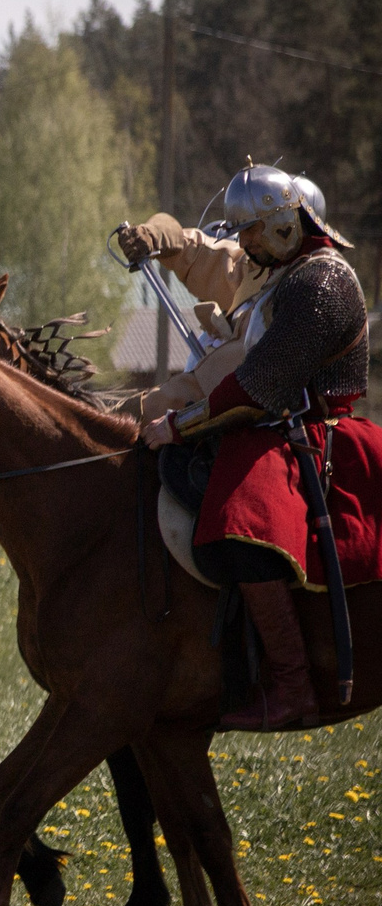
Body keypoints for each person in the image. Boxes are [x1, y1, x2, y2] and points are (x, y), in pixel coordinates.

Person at [132, 162, 375, 729]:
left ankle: (292, 686)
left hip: (315, 434)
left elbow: (257, 387)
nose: (241, 244)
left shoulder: (322, 282)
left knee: (240, 522)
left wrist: (178, 423)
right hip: (276, 424)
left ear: (285, 226)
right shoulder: (284, 276)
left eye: (250, 232)